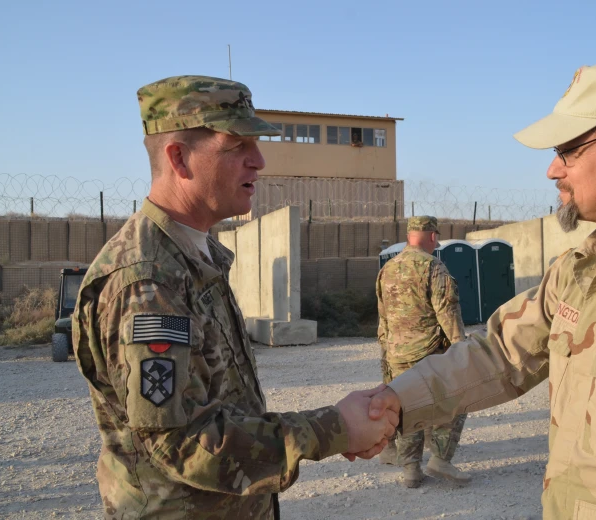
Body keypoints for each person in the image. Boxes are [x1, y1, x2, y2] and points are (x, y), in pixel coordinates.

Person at [368, 51, 596, 518]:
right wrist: (392, 403)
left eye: (569, 150)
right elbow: (500, 355)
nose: (553, 170)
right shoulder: (579, 270)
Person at [72, 75, 396, 519]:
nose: (259, 161)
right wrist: (332, 429)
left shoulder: (191, 255)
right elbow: (183, 442)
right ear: (179, 158)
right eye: (236, 147)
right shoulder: (149, 283)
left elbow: (221, 405)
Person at [376, 216, 470, 488]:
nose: (437, 242)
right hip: (429, 353)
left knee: (407, 407)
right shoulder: (434, 267)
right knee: (453, 401)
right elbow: (447, 312)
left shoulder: (387, 269)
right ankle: (440, 458)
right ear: (430, 236)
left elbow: (383, 318)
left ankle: (410, 471)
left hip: (396, 355)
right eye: (437, 237)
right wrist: (460, 349)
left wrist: (388, 355)